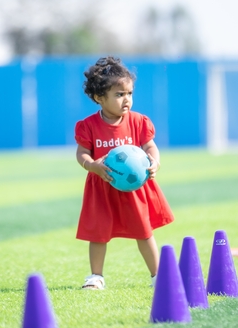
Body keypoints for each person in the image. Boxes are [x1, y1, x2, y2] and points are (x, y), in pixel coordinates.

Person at [74, 56, 174, 290]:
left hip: (134, 187)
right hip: (102, 185)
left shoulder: (139, 122)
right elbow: (82, 154)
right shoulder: (88, 125)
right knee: (98, 233)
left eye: (129, 93)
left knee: (144, 231)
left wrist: (155, 161)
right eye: (119, 95)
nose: (126, 99)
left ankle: (157, 275)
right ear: (100, 98)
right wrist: (92, 166)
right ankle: (96, 276)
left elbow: (150, 146)